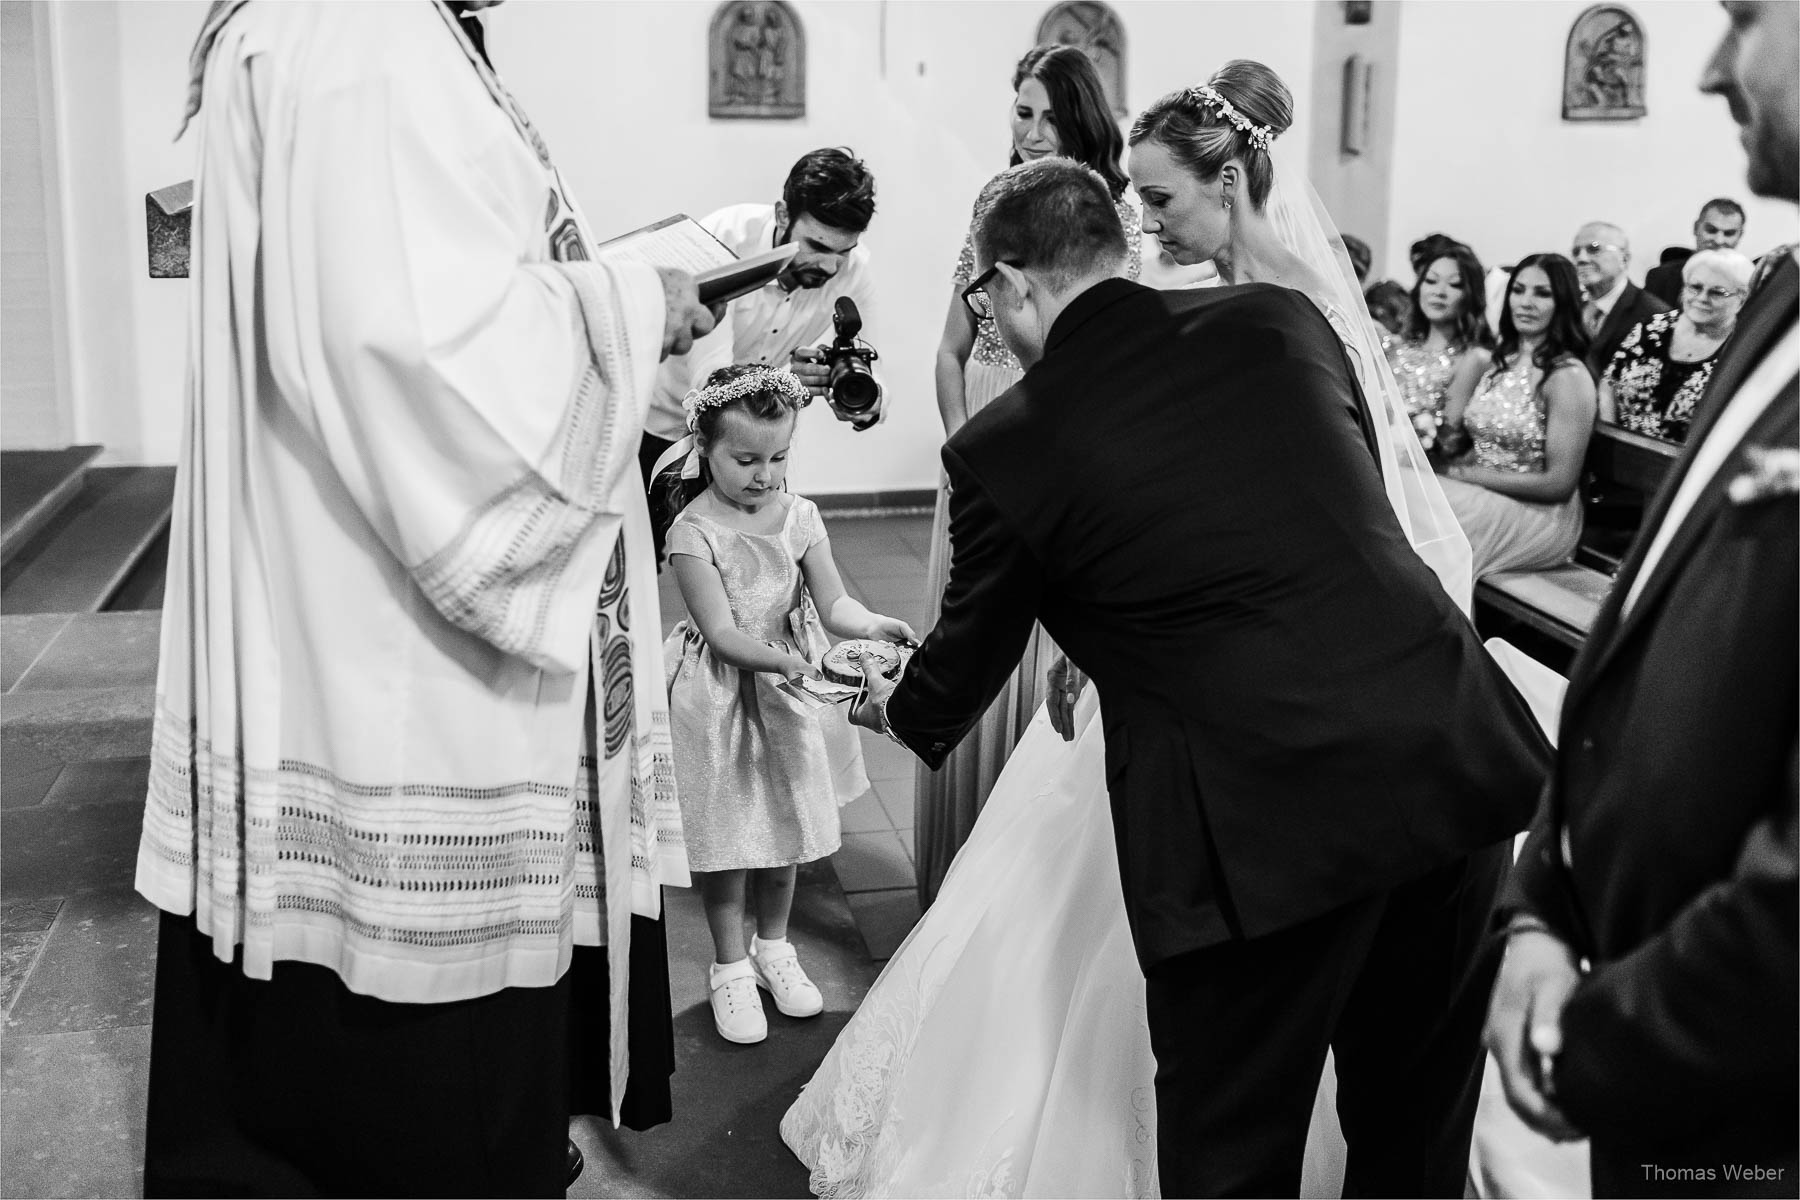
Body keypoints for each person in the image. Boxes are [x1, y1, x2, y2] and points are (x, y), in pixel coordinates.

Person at [786, 89, 1548, 1200]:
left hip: (1257, 828)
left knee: (1233, 1149)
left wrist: (880, 700)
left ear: (1008, 283)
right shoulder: (1284, 326)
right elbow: (1310, 524)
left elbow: (949, 687)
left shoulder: (1012, 444)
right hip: (1449, 765)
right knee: (1414, 1128)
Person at [136, 3, 717, 1194]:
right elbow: (428, 362)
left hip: (338, 621)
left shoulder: (361, 30)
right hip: (392, 662)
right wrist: (640, 296)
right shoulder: (365, 42)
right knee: (406, 1101)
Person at [1484, 1, 1798, 1194]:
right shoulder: (1780, 295)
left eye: (1746, 17)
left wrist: (1597, 1036)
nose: (1713, 67)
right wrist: (1541, 909)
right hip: (1638, 1015)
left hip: (1745, 1091)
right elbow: (1631, 639)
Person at [916, 43, 1149, 906]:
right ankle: (953, 879)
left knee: (1045, 644)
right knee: (968, 626)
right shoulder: (994, 203)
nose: (1034, 131)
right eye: (1022, 111)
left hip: (1066, 427)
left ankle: (1017, 891)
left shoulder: (1113, 215)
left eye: (1052, 115)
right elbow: (947, 349)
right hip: (984, 415)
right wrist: (961, 449)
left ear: (1087, 120)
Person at [656, 364, 913, 1046]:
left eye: (777, 458)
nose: (764, 475)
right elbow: (723, 634)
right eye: (744, 460)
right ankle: (730, 965)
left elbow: (833, 602)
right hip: (726, 692)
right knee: (732, 836)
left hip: (789, 690)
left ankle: (774, 946)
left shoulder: (800, 514)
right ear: (703, 448)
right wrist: (788, 662)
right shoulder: (692, 531)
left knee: (787, 831)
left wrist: (870, 625)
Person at [641, 149, 882, 547]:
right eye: (817, 246)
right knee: (640, 559)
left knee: (750, 564)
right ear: (783, 214)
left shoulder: (853, 271)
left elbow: (872, 365)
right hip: (659, 424)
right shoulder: (724, 239)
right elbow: (711, 383)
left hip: (751, 444)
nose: (830, 267)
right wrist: (788, 382)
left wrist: (861, 398)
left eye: (844, 252)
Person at [1438, 254, 1597, 580]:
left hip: (1539, 514)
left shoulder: (1567, 375)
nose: (1526, 302)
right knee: (1406, 501)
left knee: (1435, 526)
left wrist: (1466, 476)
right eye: (1519, 290)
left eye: (1542, 294)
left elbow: (1559, 484)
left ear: (1563, 302)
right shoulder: (1499, 362)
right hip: (1483, 493)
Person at [1601, 248, 1754, 443]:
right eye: (1695, 287)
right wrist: (1609, 437)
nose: (1702, 298)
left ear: (1742, 298)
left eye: (1717, 292)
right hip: (1620, 454)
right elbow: (1609, 382)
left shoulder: (1741, 349)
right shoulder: (1652, 328)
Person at [1384, 240, 1495, 461]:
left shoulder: (1473, 358)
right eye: (1431, 281)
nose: (1439, 292)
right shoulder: (1395, 348)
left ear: (1471, 294)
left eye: (1454, 284)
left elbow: (1446, 440)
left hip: (1423, 469)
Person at [1571, 220, 1671, 379]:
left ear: (1624, 258)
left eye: (1594, 248)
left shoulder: (1654, 315)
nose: (1581, 259)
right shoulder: (1572, 308)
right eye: (1576, 252)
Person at [1643, 197, 1747, 305]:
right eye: (1711, 230)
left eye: (1729, 233)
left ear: (1740, 235)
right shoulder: (1660, 278)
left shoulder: (1744, 286)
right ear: (1696, 228)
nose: (1719, 240)